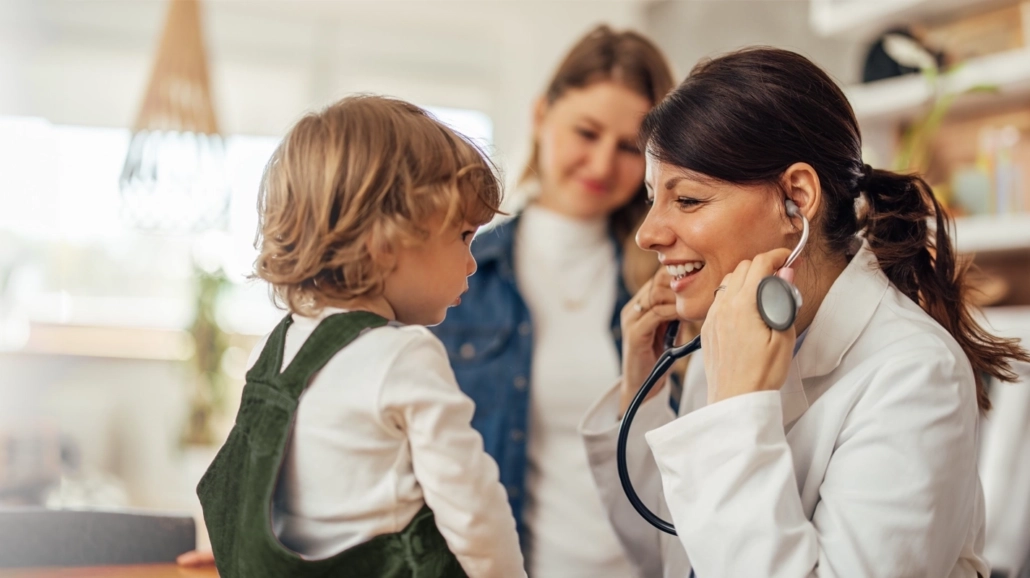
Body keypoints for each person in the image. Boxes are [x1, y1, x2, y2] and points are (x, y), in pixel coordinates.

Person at [580, 47, 1030, 578]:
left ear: (796, 197)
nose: (647, 233)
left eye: (688, 200)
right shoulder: (730, 334)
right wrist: (644, 387)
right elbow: (672, 551)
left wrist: (738, 412)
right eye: (654, 198)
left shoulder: (914, 374)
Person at [194, 95, 525, 578]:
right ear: (387, 242)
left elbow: (270, 504)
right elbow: (473, 508)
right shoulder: (403, 354)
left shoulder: (281, 348)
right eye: (463, 236)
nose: (473, 262)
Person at [429, 25, 674, 577]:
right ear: (541, 115)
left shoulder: (671, 281)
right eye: (586, 132)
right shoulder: (461, 276)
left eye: (630, 148)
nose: (603, 164)